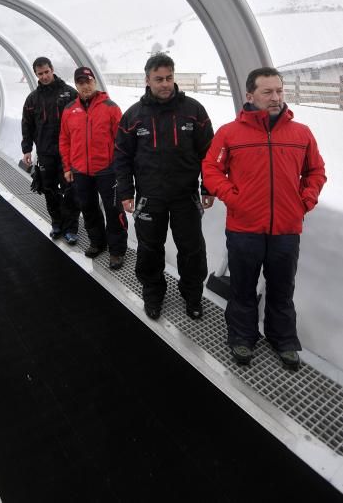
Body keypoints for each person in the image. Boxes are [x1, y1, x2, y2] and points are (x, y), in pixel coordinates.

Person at [202, 67, 326, 370]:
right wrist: (233, 197)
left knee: (282, 289)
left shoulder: (301, 133)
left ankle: (282, 339)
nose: (275, 97)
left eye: (279, 91)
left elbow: (316, 171)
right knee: (243, 287)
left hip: (286, 228)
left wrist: (305, 200)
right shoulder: (230, 133)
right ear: (250, 95)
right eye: (267, 92)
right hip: (244, 227)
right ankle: (242, 336)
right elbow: (211, 168)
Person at [114, 53, 215, 320]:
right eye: (159, 79)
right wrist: (125, 192)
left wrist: (208, 187)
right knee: (149, 249)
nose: (165, 84)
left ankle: (192, 295)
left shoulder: (194, 111)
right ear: (147, 80)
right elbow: (121, 157)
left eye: (169, 78)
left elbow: (209, 153)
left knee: (192, 250)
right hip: (150, 197)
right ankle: (153, 293)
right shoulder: (133, 116)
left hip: (186, 196)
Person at [59, 66, 128, 270]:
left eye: (88, 81)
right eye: (80, 82)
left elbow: (122, 142)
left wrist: (119, 168)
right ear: (76, 86)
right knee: (88, 209)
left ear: (95, 82)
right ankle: (97, 242)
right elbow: (64, 139)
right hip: (80, 170)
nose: (85, 86)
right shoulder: (69, 110)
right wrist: (67, 167)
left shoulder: (110, 107)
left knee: (114, 211)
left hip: (107, 170)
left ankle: (117, 250)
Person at [21, 57, 80, 244]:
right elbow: (27, 125)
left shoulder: (69, 93)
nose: (45, 76)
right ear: (36, 74)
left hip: (67, 153)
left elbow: (80, 122)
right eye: (40, 73)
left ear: (52, 69)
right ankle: (57, 223)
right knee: (49, 190)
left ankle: (71, 228)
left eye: (47, 71)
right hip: (45, 153)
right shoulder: (33, 99)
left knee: (70, 190)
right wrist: (27, 149)